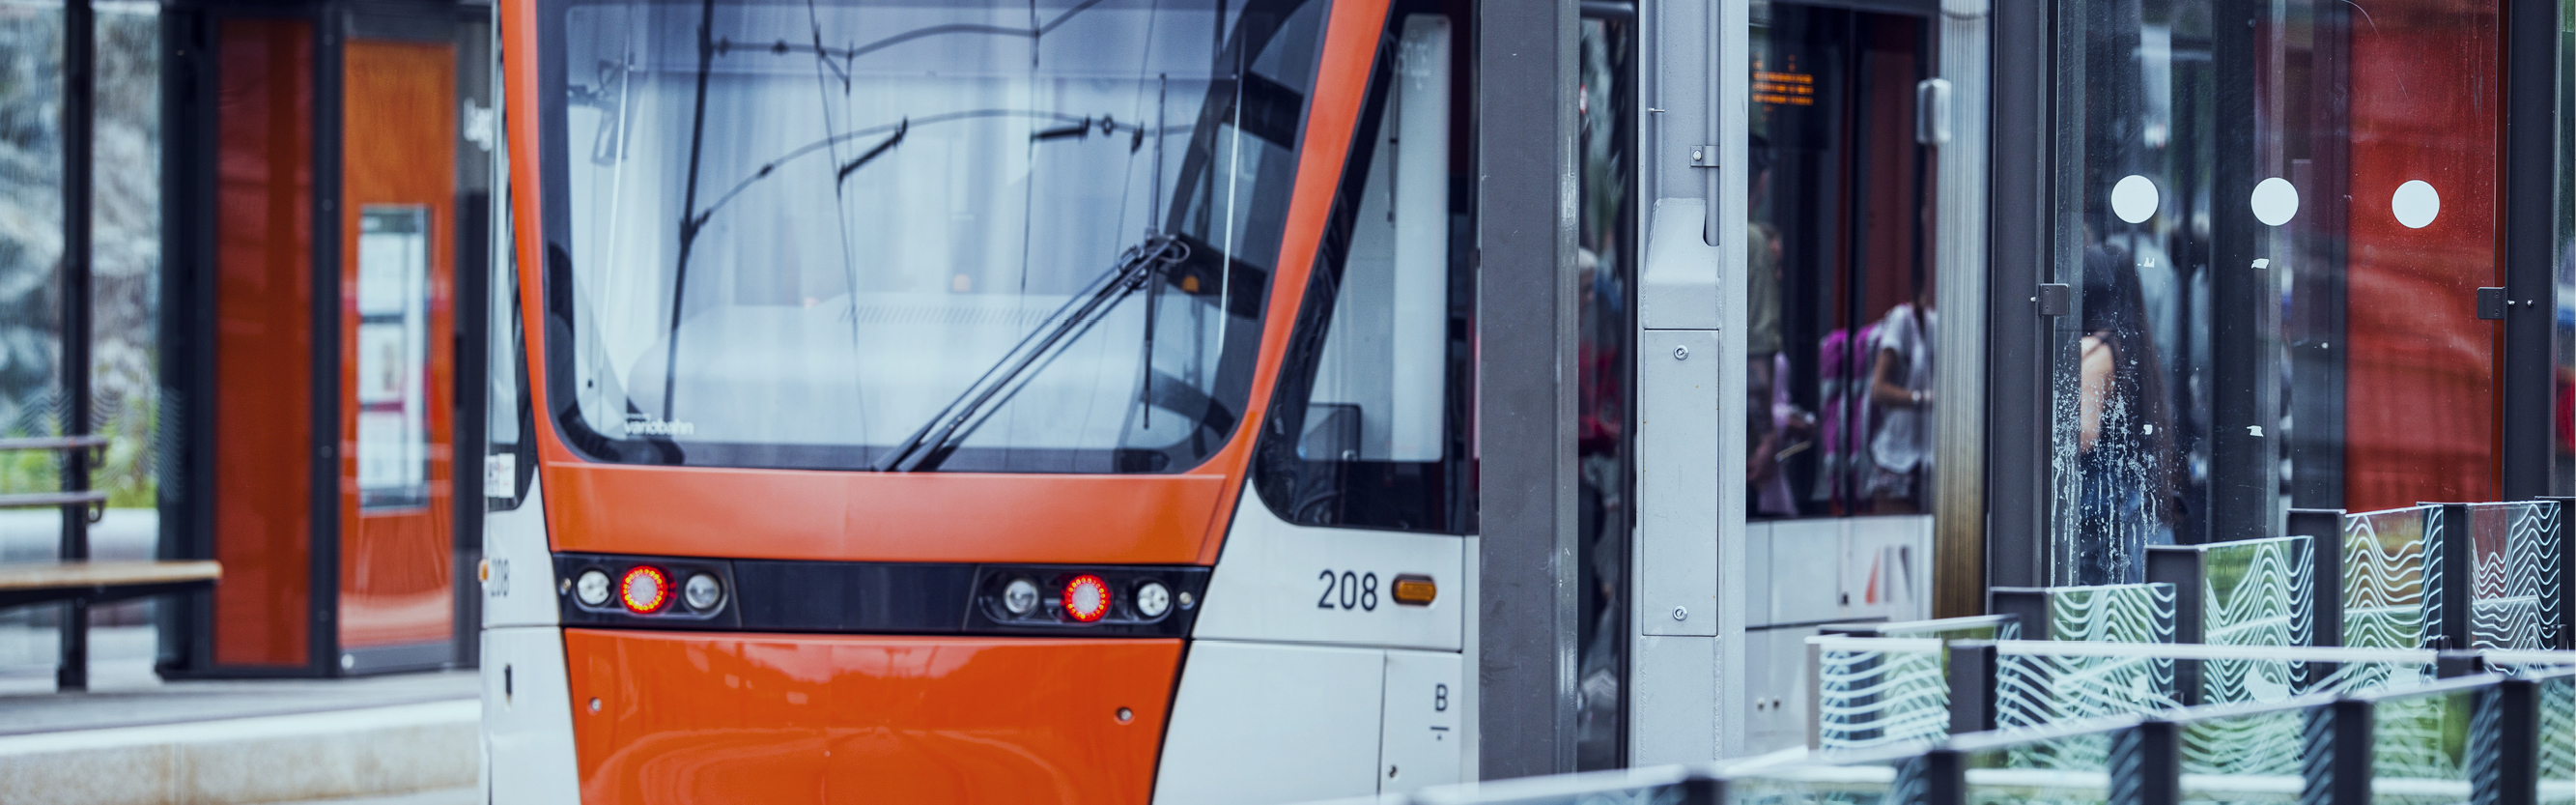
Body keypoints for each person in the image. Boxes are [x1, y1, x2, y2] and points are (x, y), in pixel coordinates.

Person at [2073, 241, 2178, 585]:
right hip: (2130, 509)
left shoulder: (2092, 351)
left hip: (2097, 517)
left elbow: (2084, 435)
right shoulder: (2131, 348)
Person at [1864, 273, 1934, 512]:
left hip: (1937, 461)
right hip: (1897, 457)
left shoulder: (1953, 321)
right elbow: (1878, 389)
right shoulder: (1904, 320)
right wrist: (1924, 399)